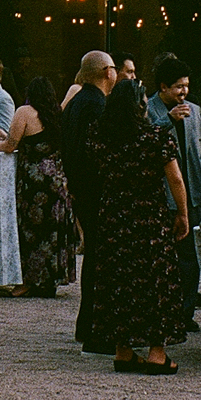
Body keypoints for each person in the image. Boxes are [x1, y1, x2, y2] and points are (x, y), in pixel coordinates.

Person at [85, 75, 190, 373]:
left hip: (113, 215)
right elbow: (175, 179)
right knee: (155, 280)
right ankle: (157, 352)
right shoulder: (156, 137)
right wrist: (182, 214)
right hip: (148, 216)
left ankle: (124, 350)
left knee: (118, 281)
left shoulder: (99, 135)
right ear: (139, 106)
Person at [146, 55, 201, 327]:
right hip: (162, 195)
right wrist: (168, 120)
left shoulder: (195, 110)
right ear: (163, 87)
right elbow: (144, 142)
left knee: (190, 257)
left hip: (193, 193)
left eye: (186, 86)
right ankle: (162, 312)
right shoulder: (148, 110)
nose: (184, 92)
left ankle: (185, 313)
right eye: (178, 87)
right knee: (162, 258)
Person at [3, 74, 77, 298]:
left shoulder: (24, 112)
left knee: (31, 230)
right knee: (52, 230)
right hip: (57, 178)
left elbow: (10, 145)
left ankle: (29, 280)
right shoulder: (57, 115)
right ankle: (50, 279)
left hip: (34, 181)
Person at [63, 49, 117, 350]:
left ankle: (87, 323)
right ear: (107, 72)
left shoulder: (76, 102)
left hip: (80, 188)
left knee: (94, 256)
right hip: (95, 190)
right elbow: (96, 151)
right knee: (99, 258)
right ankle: (94, 326)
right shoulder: (97, 105)